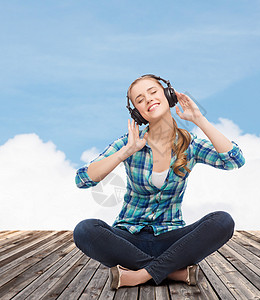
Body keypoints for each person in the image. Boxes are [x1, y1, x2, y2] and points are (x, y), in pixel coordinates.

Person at [73, 74, 245, 290]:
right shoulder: (130, 142)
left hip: (171, 239)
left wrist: (199, 119)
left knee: (223, 221)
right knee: (84, 230)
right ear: (137, 111)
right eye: (140, 99)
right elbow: (83, 179)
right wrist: (124, 153)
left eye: (153, 92)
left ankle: (139, 275)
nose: (148, 100)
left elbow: (234, 160)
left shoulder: (190, 145)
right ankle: (171, 271)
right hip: (128, 238)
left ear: (168, 95)